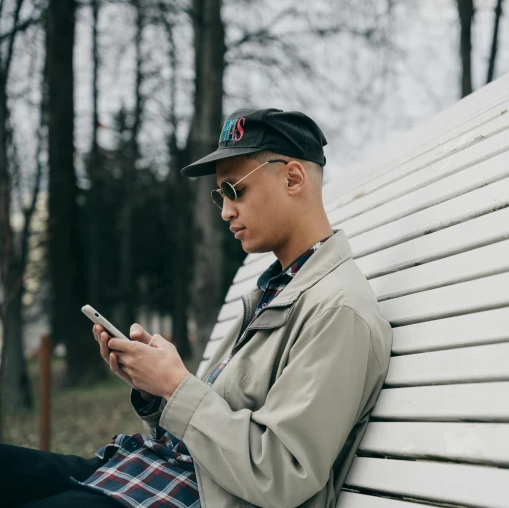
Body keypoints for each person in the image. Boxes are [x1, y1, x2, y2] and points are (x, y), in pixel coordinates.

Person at [0, 108, 393, 508]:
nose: (225, 211)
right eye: (220, 195)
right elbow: (211, 427)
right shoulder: (277, 289)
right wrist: (155, 391)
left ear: (293, 178)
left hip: (193, 494)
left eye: (235, 190)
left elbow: (281, 474)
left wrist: (175, 385)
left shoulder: (339, 309)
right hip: (156, 474)